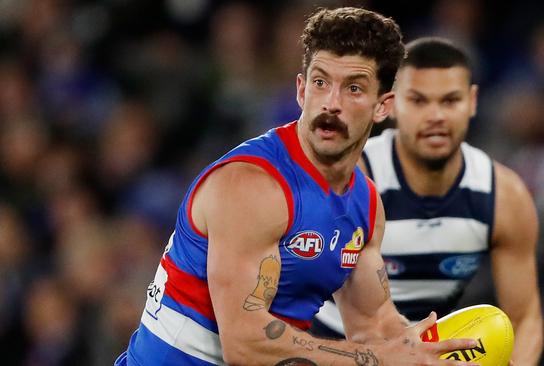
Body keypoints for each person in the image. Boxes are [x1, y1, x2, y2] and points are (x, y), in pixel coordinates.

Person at [114, 9, 480, 366]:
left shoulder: (364, 204)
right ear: (302, 90)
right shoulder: (251, 186)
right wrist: (383, 359)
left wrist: (444, 353)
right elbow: (245, 345)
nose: (331, 103)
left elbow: (374, 327)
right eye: (321, 82)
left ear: (383, 106)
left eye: (353, 88)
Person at [313, 37, 544, 365]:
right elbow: (362, 322)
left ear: (473, 101)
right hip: (336, 351)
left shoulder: (504, 196)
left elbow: (524, 320)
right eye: (419, 101)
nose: (435, 116)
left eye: (450, 101)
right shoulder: (352, 180)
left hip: (432, 355)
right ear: (391, 104)